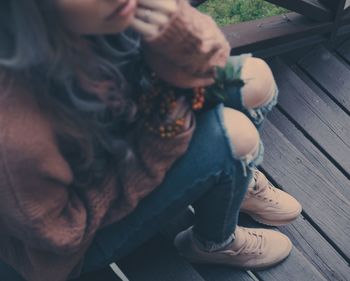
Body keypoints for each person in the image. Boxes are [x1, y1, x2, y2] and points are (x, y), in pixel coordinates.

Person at [0, 0, 302, 280]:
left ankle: (229, 180)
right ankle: (214, 242)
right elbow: (62, 234)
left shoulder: (104, 14)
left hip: (136, 124)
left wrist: (173, 26)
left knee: (254, 78)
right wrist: (163, 139)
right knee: (235, 137)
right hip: (75, 238)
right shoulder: (15, 131)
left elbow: (211, 65)